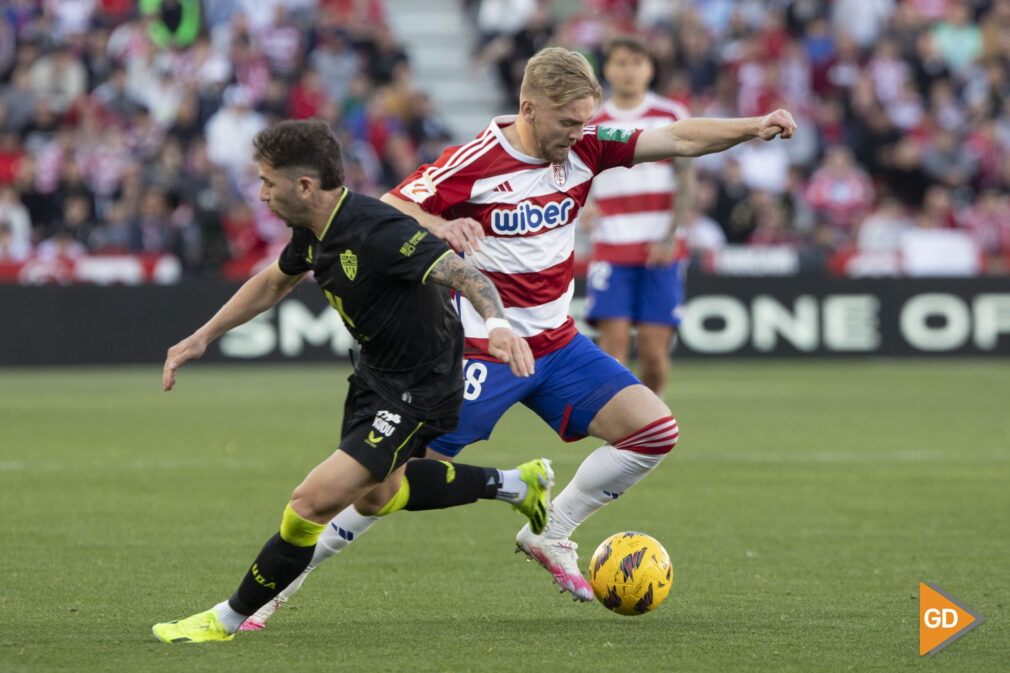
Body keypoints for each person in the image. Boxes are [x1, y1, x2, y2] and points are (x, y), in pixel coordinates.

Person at [246, 47, 796, 627]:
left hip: (557, 345)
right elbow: (390, 206)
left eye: (586, 120)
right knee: (378, 482)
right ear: (528, 108)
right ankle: (280, 586)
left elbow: (679, 138)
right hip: (482, 350)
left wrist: (752, 128)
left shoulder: (585, 147)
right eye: (567, 122)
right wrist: (442, 222)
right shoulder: (477, 159)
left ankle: (553, 532)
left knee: (654, 432)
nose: (579, 132)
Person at [151, 119, 554, 643]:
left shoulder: (378, 228)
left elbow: (465, 274)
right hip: (374, 374)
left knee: (309, 504)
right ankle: (517, 484)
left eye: (268, 182)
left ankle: (225, 619)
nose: (261, 193)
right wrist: (202, 336)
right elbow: (275, 281)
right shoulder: (314, 230)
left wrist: (498, 326)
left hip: (421, 386)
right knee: (376, 497)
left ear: (304, 186)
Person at [583, 35, 696, 395]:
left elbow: (686, 178)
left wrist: (671, 234)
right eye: (621, 63)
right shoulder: (592, 120)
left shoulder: (670, 115)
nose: (629, 71)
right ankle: (619, 433)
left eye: (637, 63)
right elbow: (576, 174)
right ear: (608, 69)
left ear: (650, 69)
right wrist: (584, 204)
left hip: (659, 247)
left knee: (652, 353)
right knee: (612, 352)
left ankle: (650, 426)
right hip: (612, 245)